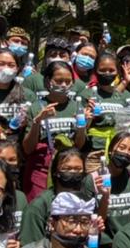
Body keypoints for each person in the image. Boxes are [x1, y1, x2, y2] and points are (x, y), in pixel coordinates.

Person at [21, 59, 90, 198]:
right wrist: (37, 121)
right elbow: (28, 148)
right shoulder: (37, 107)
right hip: (41, 168)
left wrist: (82, 126)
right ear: (47, 81)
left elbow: (79, 145)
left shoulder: (77, 107)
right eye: (58, 81)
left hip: (69, 167)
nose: (64, 85)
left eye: (68, 81)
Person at [19, 147, 91, 247]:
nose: (73, 172)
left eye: (78, 169)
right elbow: (30, 246)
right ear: (56, 172)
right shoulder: (39, 206)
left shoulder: (86, 201)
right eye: (67, 169)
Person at [93, 132, 130, 248]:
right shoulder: (93, 180)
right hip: (103, 247)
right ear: (111, 150)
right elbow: (96, 220)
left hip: (128, 244)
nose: (126, 153)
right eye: (121, 148)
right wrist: (105, 197)